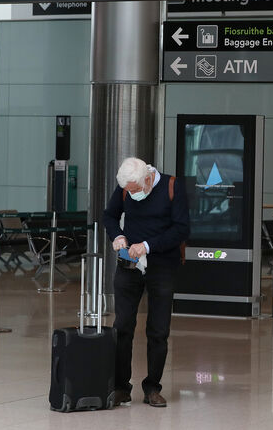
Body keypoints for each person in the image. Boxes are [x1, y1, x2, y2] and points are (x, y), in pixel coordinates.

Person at [103, 157, 190, 408]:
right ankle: (121, 386)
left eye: (135, 190)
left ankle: (152, 386)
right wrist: (117, 235)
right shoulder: (126, 186)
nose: (132, 195)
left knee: (158, 330)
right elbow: (109, 216)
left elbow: (181, 229)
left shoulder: (173, 186)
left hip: (162, 265)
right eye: (128, 192)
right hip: (129, 265)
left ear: (148, 180)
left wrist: (148, 246)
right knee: (122, 326)